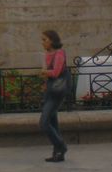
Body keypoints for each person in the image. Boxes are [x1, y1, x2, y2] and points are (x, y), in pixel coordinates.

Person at [39, 29, 69, 163]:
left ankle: (61, 146)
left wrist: (45, 72)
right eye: (42, 40)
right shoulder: (47, 54)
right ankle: (58, 154)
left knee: (44, 122)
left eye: (45, 40)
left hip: (58, 91)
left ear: (52, 40)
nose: (43, 42)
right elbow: (47, 74)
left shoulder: (59, 53)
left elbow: (56, 72)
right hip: (50, 91)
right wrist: (45, 82)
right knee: (52, 122)